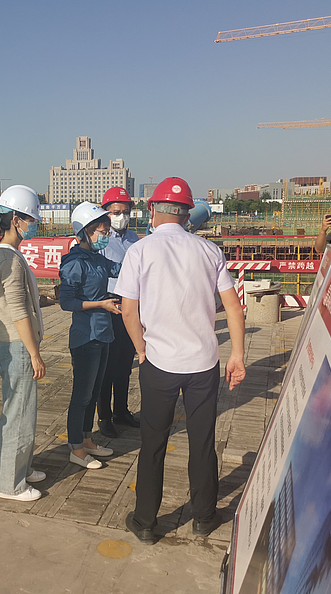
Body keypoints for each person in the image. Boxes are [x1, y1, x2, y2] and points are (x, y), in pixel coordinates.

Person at [114, 177, 246, 542]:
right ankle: (204, 516)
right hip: (203, 363)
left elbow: (128, 311)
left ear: (152, 210)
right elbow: (234, 308)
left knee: (153, 443)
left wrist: (141, 350)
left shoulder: (140, 251)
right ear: (188, 215)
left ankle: (145, 522)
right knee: (202, 442)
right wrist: (237, 354)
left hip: (159, 363)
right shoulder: (209, 251)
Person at [0, 185, 47, 502]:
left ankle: (21, 467)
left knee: (22, 410)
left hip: (14, 343)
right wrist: (34, 354)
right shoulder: (8, 258)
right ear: (15, 220)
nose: (33, 225)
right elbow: (18, 310)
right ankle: (11, 484)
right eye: (30, 219)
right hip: (18, 345)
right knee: (19, 413)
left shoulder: (6, 253)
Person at [59, 202, 122, 469]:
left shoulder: (97, 258)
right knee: (82, 395)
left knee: (94, 392)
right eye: (102, 232)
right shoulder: (75, 263)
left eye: (107, 231)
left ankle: (86, 439)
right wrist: (101, 304)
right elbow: (66, 302)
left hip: (103, 333)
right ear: (86, 232)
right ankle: (75, 447)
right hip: (86, 336)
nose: (106, 236)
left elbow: (119, 269)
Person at [96, 187, 141, 438]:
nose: (121, 216)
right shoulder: (102, 239)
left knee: (125, 363)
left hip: (131, 306)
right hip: (109, 304)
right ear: (106, 212)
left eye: (125, 212)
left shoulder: (135, 239)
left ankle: (121, 410)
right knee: (108, 365)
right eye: (116, 212)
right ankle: (104, 416)